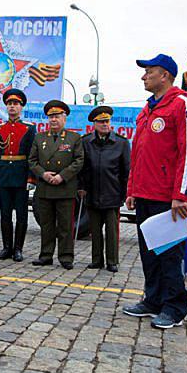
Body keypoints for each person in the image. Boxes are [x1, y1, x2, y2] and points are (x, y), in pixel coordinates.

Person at [123, 53, 187, 330]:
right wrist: (132, 189)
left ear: (165, 75)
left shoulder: (182, 104)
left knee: (169, 255)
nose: (143, 77)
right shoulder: (147, 110)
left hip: (168, 198)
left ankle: (174, 307)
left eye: (149, 72)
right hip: (145, 193)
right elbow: (138, 154)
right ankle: (153, 299)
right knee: (149, 254)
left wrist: (181, 195)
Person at [28, 100, 84, 269]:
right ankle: (46, 255)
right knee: (46, 225)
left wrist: (62, 176)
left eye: (57, 116)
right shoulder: (40, 137)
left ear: (64, 118)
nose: (53, 120)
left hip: (64, 187)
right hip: (45, 187)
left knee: (65, 226)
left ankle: (66, 257)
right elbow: (32, 161)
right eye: (51, 117)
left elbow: (79, 161)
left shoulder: (74, 138)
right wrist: (43, 174)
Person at [78, 106, 130, 273]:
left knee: (112, 231)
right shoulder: (86, 142)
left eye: (107, 121)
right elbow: (82, 168)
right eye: (101, 122)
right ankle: (97, 260)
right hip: (92, 192)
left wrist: (124, 193)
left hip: (112, 193)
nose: (105, 124)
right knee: (95, 229)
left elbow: (126, 171)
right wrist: (81, 187)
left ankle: (112, 261)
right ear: (94, 124)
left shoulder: (121, 143)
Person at [0, 89, 36, 262]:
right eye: (9, 104)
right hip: (4, 177)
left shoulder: (29, 128)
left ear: (21, 107)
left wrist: (31, 178)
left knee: (22, 215)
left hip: (21, 177)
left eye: (15, 104)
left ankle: (18, 249)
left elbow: (32, 155)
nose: (12, 107)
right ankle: (6, 247)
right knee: (5, 215)